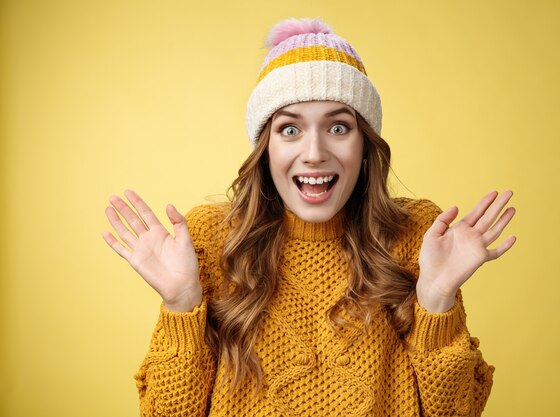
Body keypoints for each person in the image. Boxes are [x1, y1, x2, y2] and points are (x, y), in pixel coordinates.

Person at [103, 17, 516, 417]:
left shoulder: (413, 236)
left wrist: (437, 301)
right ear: (265, 149)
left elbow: (457, 412)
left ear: (365, 145)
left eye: (338, 128)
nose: (315, 152)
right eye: (289, 130)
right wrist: (181, 305)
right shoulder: (212, 240)